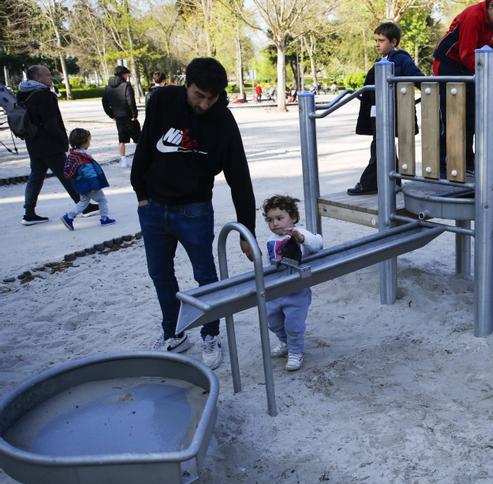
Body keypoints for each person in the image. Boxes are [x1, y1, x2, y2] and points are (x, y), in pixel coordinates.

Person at [132, 57, 256, 369]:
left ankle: (210, 334)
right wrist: (141, 194)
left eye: (211, 98)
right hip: (153, 209)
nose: (204, 104)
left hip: (194, 211)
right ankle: (173, 333)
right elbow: (146, 146)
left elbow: (239, 177)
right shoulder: (161, 101)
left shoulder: (223, 121)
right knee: (160, 273)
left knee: (205, 276)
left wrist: (247, 229)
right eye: (199, 95)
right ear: (187, 85)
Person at [432, 0, 493, 176]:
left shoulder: (492, 22)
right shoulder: (473, 16)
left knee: (472, 116)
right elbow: (466, 53)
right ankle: (443, 164)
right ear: (492, 5)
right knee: (451, 116)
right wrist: (489, 76)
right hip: (449, 65)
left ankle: (467, 161)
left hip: (468, 66)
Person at [347, 22, 424, 196]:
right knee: (382, 145)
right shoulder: (380, 61)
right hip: (377, 111)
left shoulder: (402, 59)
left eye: (381, 40)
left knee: (380, 146)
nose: (377, 44)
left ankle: (368, 183)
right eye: (376, 40)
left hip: (392, 112)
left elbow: (418, 78)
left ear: (393, 42)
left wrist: (431, 92)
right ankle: (394, 181)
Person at [18, 65, 98, 225]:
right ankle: (84, 205)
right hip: (50, 144)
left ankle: (29, 212)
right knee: (68, 174)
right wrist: (64, 141)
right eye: (47, 75)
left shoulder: (23, 94)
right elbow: (50, 123)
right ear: (37, 78)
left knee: (36, 177)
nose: (50, 78)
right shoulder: (43, 95)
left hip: (33, 143)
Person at [262, 195, 324, 371]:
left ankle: (296, 351)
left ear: (293, 217)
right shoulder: (270, 239)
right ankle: (285, 343)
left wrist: (301, 239)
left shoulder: (300, 233)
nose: (275, 223)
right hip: (276, 290)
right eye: (270, 220)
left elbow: (318, 243)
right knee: (272, 321)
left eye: (280, 218)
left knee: (294, 324)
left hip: (296, 291)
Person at [60, 128, 115, 230]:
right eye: (89, 140)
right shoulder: (83, 158)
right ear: (84, 142)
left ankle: (69, 217)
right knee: (102, 200)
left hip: (80, 184)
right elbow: (90, 174)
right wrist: (95, 186)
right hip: (90, 185)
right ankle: (104, 218)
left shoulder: (73, 155)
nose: (90, 143)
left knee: (83, 203)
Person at [102, 65, 139, 168]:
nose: (127, 76)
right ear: (123, 74)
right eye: (127, 74)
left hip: (118, 117)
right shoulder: (126, 85)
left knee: (121, 139)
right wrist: (134, 115)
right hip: (129, 116)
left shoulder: (108, 87)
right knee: (138, 138)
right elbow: (130, 101)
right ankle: (140, 159)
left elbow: (104, 103)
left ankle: (123, 160)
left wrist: (111, 115)